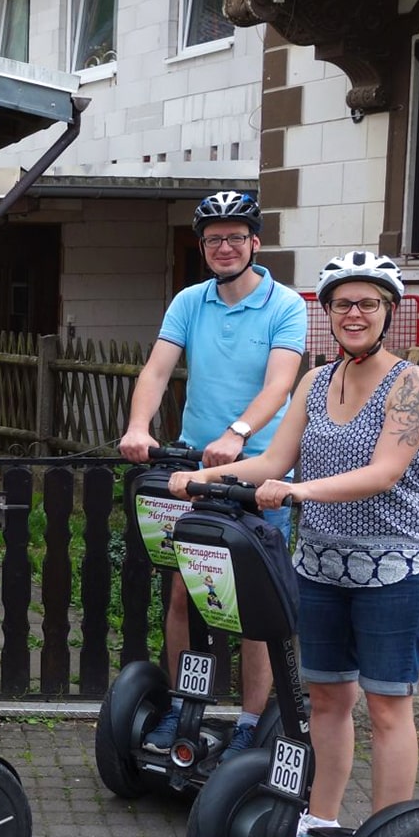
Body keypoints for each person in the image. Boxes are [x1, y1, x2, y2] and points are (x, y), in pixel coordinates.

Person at [170, 251, 419, 837]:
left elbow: (385, 471)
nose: (355, 314)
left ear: (388, 311)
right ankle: (319, 824)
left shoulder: (412, 383)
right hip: (319, 566)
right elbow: (271, 459)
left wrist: (296, 491)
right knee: (326, 701)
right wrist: (205, 478)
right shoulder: (316, 382)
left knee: (387, 706)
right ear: (328, 312)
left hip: (395, 568)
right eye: (344, 303)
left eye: (369, 303)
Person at [119, 190, 308, 753]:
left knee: (255, 606)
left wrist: (238, 433)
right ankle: (182, 708)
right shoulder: (190, 301)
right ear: (203, 247)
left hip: (260, 473)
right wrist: (138, 426)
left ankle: (250, 724)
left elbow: (280, 384)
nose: (224, 247)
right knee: (184, 593)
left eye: (235, 237)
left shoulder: (285, 306)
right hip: (191, 471)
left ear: (255, 242)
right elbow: (156, 371)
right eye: (213, 239)